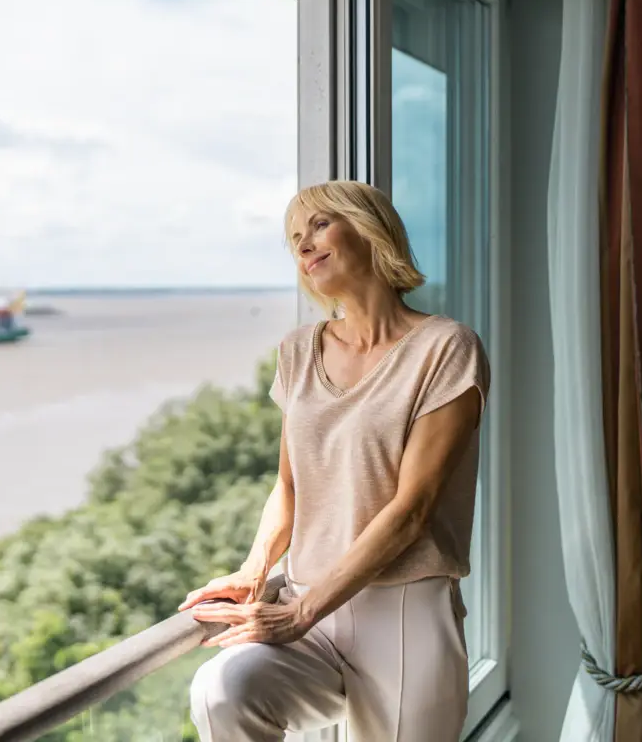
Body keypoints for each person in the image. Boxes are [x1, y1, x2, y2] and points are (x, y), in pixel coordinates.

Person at [179, 180, 490, 741]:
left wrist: (299, 614)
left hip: (403, 615)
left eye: (319, 224)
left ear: (371, 229)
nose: (303, 243)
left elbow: (412, 509)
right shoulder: (298, 351)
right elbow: (289, 485)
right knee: (221, 691)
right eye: (295, 236)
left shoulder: (446, 348)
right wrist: (255, 572)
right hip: (305, 602)